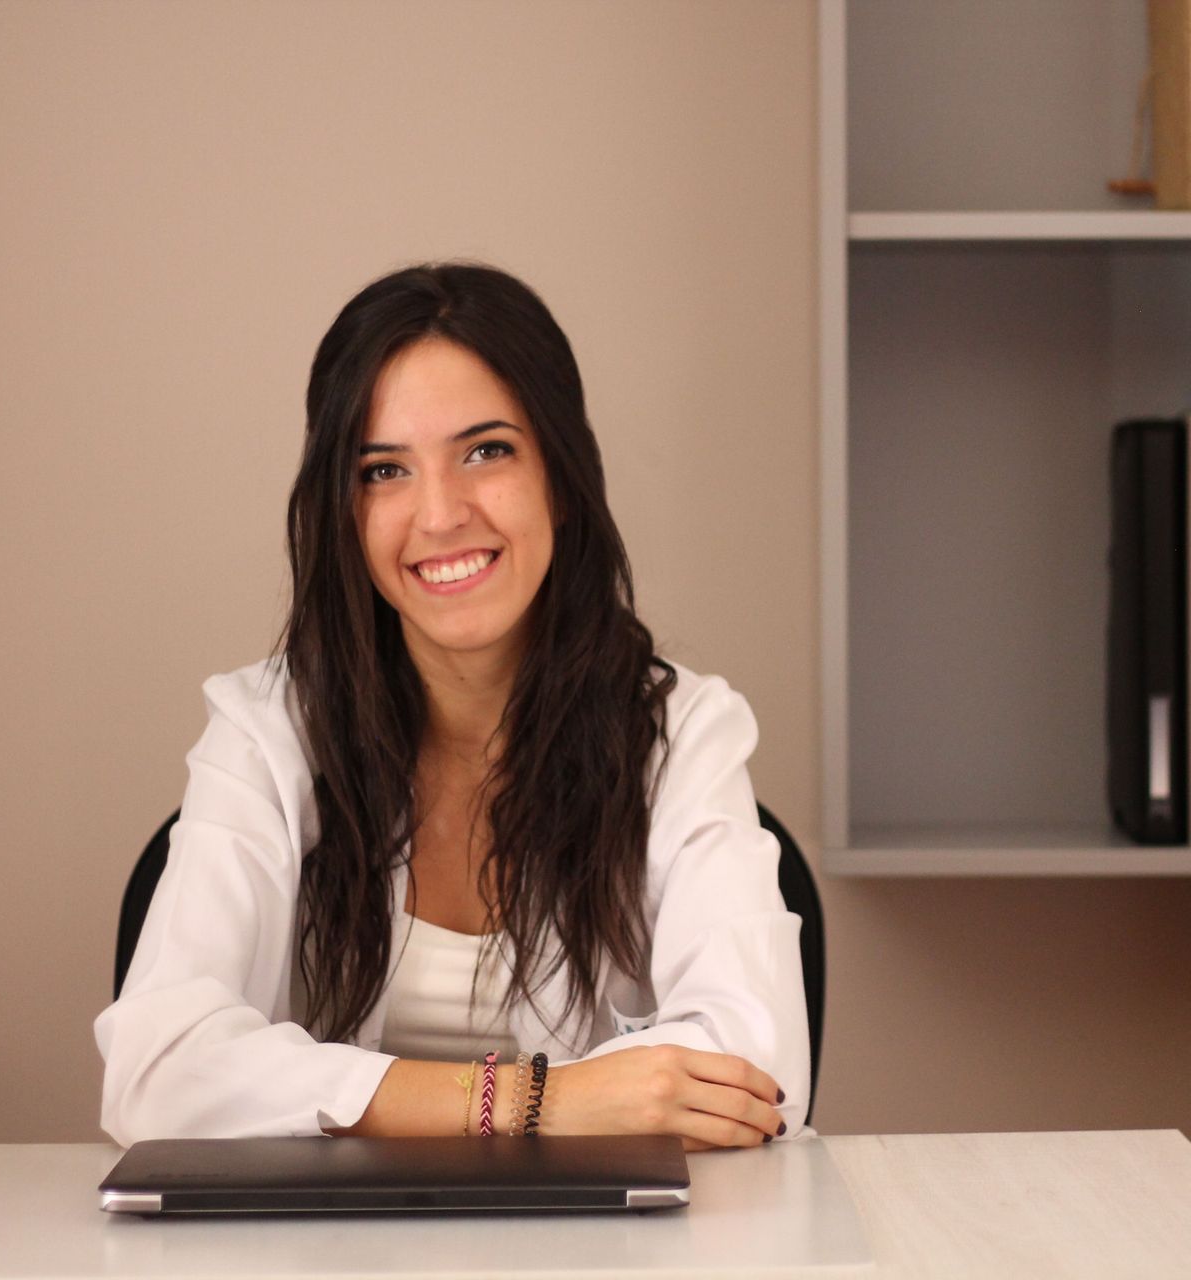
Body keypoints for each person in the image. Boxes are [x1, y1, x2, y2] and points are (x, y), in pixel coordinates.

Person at [95, 262, 809, 1150]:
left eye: (486, 451)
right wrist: (536, 1101)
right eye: (384, 470)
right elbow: (157, 1073)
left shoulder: (684, 731)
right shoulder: (265, 730)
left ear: (561, 474)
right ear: (343, 514)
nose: (438, 515)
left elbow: (754, 1068)